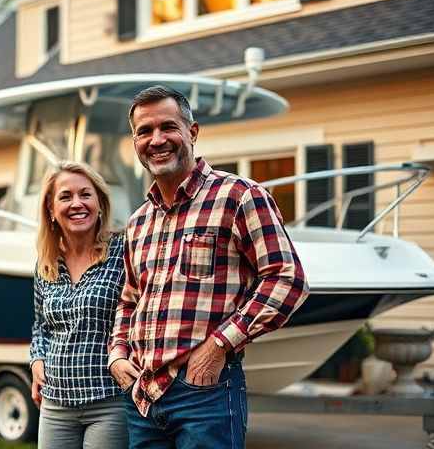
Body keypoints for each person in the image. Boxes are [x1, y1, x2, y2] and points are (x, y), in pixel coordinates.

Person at [108, 85, 310, 449]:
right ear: (134, 142)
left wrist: (218, 346)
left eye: (168, 127)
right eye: (144, 131)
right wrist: (117, 356)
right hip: (142, 395)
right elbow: (129, 300)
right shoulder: (138, 222)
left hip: (204, 391)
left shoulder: (239, 196)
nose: (156, 140)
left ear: (192, 132)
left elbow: (287, 279)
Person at [30, 160, 128, 449]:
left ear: (99, 202)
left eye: (86, 194)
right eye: (65, 196)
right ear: (50, 209)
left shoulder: (123, 251)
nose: (77, 203)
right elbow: (40, 326)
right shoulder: (46, 264)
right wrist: (36, 358)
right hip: (55, 404)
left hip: (108, 400)